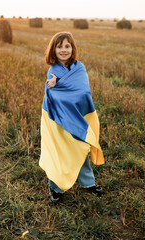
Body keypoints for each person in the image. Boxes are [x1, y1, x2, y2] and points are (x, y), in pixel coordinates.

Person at [39, 32, 105, 203]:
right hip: (58, 118)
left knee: (80, 147)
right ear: (53, 49)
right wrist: (53, 86)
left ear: (72, 49)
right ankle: (56, 188)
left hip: (77, 115)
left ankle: (88, 183)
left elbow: (83, 91)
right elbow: (54, 96)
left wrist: (63, 89)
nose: (63, 50)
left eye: (67, 46)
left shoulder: (79, 68)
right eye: (59, 46)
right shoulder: (53, 71)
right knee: (60, 151)